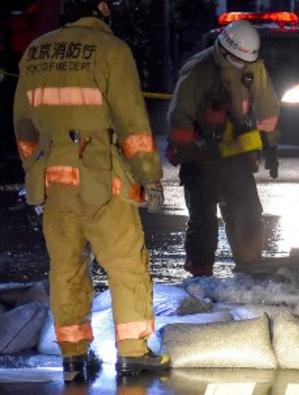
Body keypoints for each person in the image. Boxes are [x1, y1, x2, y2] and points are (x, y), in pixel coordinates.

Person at [12, 0, 170, 380]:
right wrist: (149, 177)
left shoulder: (37, 51)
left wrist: (35, 170)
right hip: (102, 180)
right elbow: (133, 125)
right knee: (126, 265)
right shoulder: (111, 50)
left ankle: (72, 357)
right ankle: (133, 354)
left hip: (53, 183)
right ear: (100, 7)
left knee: (65, 269)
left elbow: (23, 127)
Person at [167, 20, 280, 277]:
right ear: (225, 50)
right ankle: (200, 275)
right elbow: (179, 118)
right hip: (201, 156)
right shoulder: (198, 70)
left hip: (237, 155)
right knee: (203, 222)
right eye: (237, 61)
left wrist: (271, 146)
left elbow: (268, 109)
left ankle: (249, 268)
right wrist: (189, 155)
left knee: (249, 212)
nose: (242, 66)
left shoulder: (254, 68)